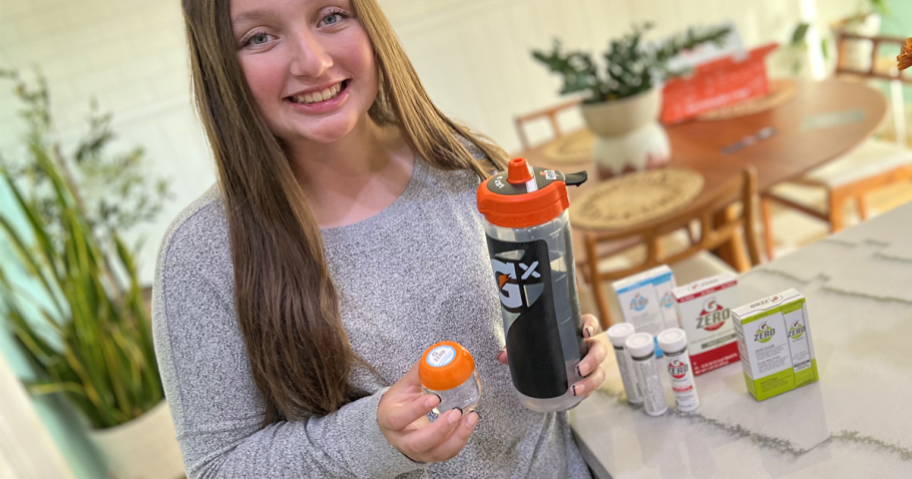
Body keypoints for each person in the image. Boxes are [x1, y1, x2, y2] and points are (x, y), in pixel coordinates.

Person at [152, 0, 607, 477]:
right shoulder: (200, 252)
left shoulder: (465, 162)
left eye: (330, 16)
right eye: (259, 38)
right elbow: (218, 468)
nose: (314, 63)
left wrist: (581, 349)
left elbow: (547, 311)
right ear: (219, 64)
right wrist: (374, 439)